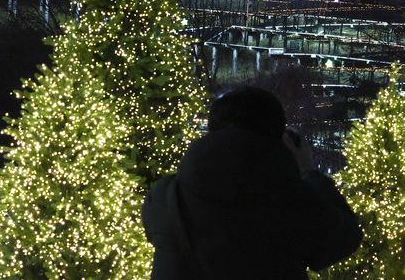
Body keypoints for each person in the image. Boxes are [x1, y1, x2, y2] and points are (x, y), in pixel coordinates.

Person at [142, 86, 363, 279]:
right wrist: (308, 171)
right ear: (278, 137)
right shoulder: (291, 201)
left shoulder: (166, 195)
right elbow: (344, 238)